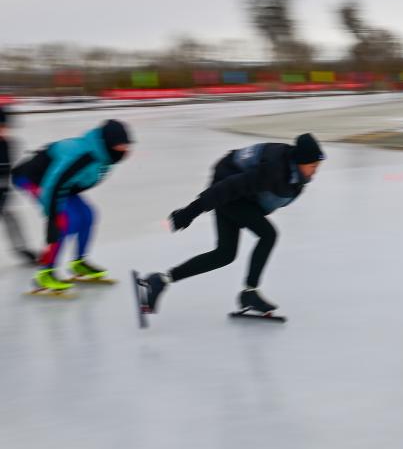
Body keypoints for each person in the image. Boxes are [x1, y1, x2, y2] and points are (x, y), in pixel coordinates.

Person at [136, 133, 325, 315]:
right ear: (299, 161)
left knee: (224, 254)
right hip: (227, 186)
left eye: (317, 166)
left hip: (241, 195)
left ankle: (160, 280)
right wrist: (190, 212)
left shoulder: (295, 176)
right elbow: (228, 188)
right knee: (268, 235)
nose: (315, 171)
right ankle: (250, 293)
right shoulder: (273, 170)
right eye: (313, 165)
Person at [12, 119, 132, 292]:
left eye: (126, 145)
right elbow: (54, 184)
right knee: (64, 220)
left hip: (59, 182)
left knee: (87, 215)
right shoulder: (84, 155)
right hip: (33, 177)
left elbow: (72, 182)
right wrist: (53, 217)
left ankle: (78, 263)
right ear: (108, 143)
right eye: (120, 145)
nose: (125, 150)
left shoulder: (104, 157)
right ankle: (45, 273)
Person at [0, 105, 36, 265]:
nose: (3, 131)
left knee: (12, 220)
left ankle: (23, 250)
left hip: (2, 192)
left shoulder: (8, 145)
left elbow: (11, 169)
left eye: (5, 127)